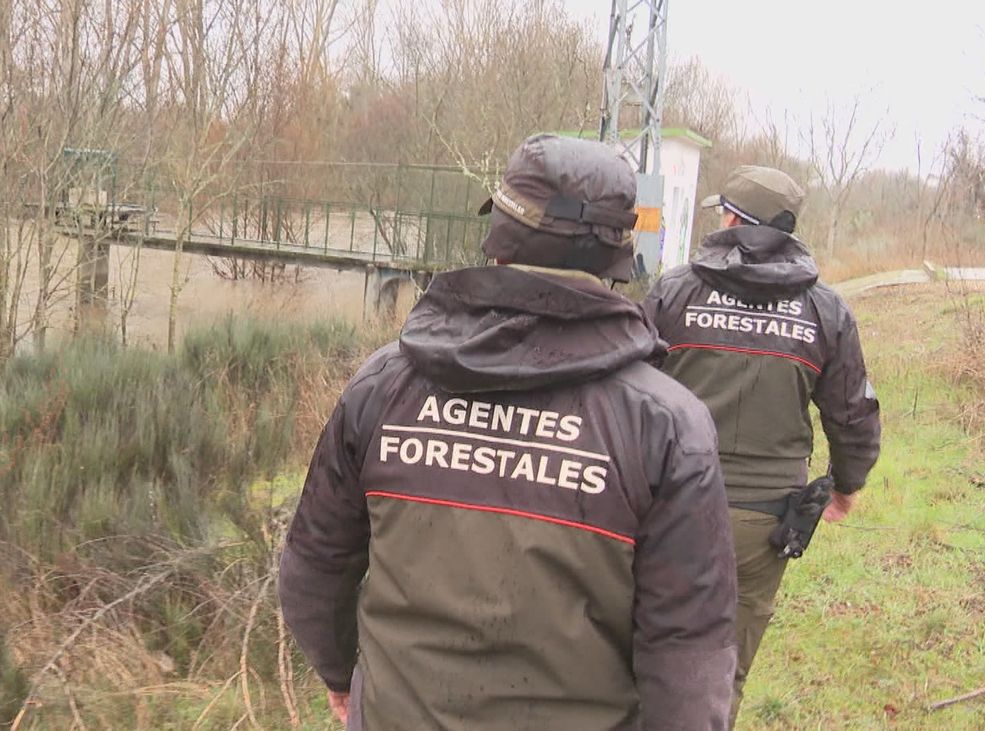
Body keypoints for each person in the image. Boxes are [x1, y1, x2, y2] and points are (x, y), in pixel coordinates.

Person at [279, 134, 737, 730]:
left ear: (497, 235)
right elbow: (689, 652)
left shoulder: (383, 384)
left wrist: (343, 677)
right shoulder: (666, 422)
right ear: (621, 254)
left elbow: (313, 567)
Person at [643, 165, 882, 722]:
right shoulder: (826, 311)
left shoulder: (675, 292)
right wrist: (847, 484)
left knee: (642, 644)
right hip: (765, 518)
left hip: (667, 504)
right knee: (722, 670)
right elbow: (852, 414)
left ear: (732, 220)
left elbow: (627, 387)